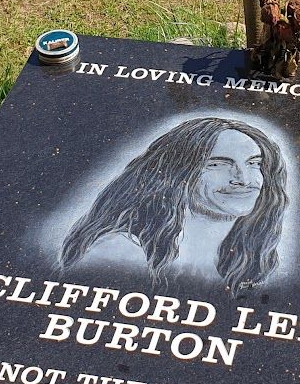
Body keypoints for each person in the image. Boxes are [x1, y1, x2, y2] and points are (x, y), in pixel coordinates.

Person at [58, 117, 288, 294]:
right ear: (178, 174)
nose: (243, 179)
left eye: (254, 163)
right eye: (218, 164)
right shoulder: (121, 251)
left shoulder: (247, 256)